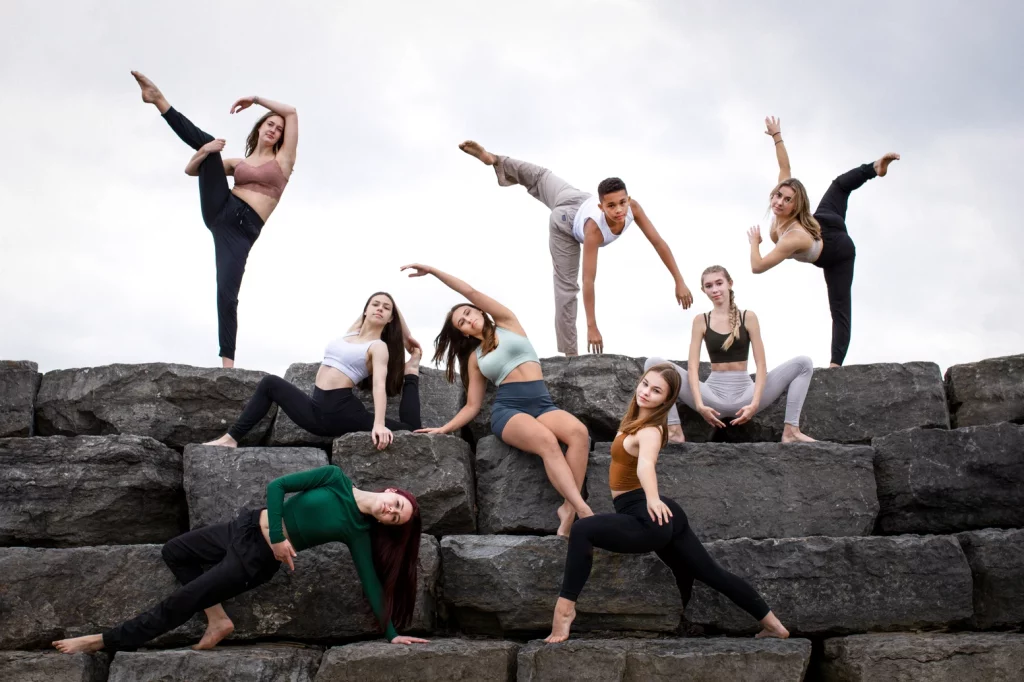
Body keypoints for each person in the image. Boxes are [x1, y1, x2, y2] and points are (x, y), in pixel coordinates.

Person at [53, 464, 428, 653]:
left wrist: (392, 634)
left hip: (255, 560)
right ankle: (218, 620)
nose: (391, 511)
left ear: (385, 523)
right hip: (245, 527)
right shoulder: (334, 478)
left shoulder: (357, 532)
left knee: (183, 600)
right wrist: (280, 536)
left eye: (394, 517)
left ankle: (105, 641)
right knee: (175, 551)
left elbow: (371, 584)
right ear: (391, 491)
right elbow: (277, 487)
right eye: (396, 505)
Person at [544, 363, 791, 642]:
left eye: (656, 390)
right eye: (645, 384)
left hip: (647, 515)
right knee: (711, 573)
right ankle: (773, 625)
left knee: (582, 530)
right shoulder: (634, 421)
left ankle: (564, 612)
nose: (647, 392)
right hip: (665, 513)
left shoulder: (650, 430)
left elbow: (646, 465)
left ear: (667, 400)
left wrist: (652, 499)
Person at [401, 263, 592, 536]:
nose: (468, 320)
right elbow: (472, 405)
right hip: (509, 410)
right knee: (547, 441)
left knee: (579, 433)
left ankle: (568, 508)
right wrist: (445, 428)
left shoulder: (507, 323)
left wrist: (433, 271)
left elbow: (469, 290)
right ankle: (583, 511)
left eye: (468, 313)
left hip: (542, 404)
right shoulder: (475, 359)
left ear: (479, 310)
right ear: (464, 333)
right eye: (462, 323)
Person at [458, 141, 693, 356]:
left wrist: (679, 280)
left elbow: (658, 242)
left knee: (541, 176)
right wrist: (592, 327)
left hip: (577, 198)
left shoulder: (634, 209)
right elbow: (588, 280)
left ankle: (495, 160)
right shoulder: (595, 230)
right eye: (611, 206)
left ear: (628, 199)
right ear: (602, 207)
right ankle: (570, 355)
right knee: (566, 288)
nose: (619, 210)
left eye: (622, 203)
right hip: (565, 223)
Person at [131, 71, 299, 367]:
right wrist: (204, 152)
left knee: (227, 293)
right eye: (270, 124)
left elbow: (292, 111)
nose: (274, 129)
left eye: (278, 129)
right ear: (260, 128)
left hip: (240, 233)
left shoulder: (283, 161)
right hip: (220, 209)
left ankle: (227, 365)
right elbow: (192, 171)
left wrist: (255, 99)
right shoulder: (238, 163)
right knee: (208, 143)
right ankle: (159, 101)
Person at [748, 116, 900, 366]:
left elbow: (758, 267)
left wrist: (755, 241)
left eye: (787, 200)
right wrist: (777, 136)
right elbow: (785, 168)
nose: (779, 202)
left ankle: (835, 365)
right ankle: (876, 167)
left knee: (839, 306)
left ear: (796, 205)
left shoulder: (792, 238)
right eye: (779, 195)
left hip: (838, 250)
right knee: (839, 185)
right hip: (824, 219)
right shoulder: (781, 210)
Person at [205, 292, 422, 450]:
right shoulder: (351, 334)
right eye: (375, 304)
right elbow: (370, 315)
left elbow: (378, 386)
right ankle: (231, 438)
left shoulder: (378, 346)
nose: (380, 308)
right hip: (316, 407)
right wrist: (388, 301)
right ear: (365, 310)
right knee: (270, 383)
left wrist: (379, 425)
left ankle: (411, 372)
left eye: (386, 308)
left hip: (341, 411)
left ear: (391, 318)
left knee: (410, 430)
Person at [647, 265, 815, 443]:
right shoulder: (700, 321)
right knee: (653, 364)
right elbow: (693, 366)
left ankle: (791, 431)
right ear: (703, 290)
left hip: (746, 396)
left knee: (804, 363)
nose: (715, 289)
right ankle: (674, 430)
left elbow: (761, 365)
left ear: (730, 283)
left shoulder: (748, 317)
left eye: (719, 283)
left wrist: (755, 403)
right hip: (711, 396)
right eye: (709, 286)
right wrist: (699, 405)